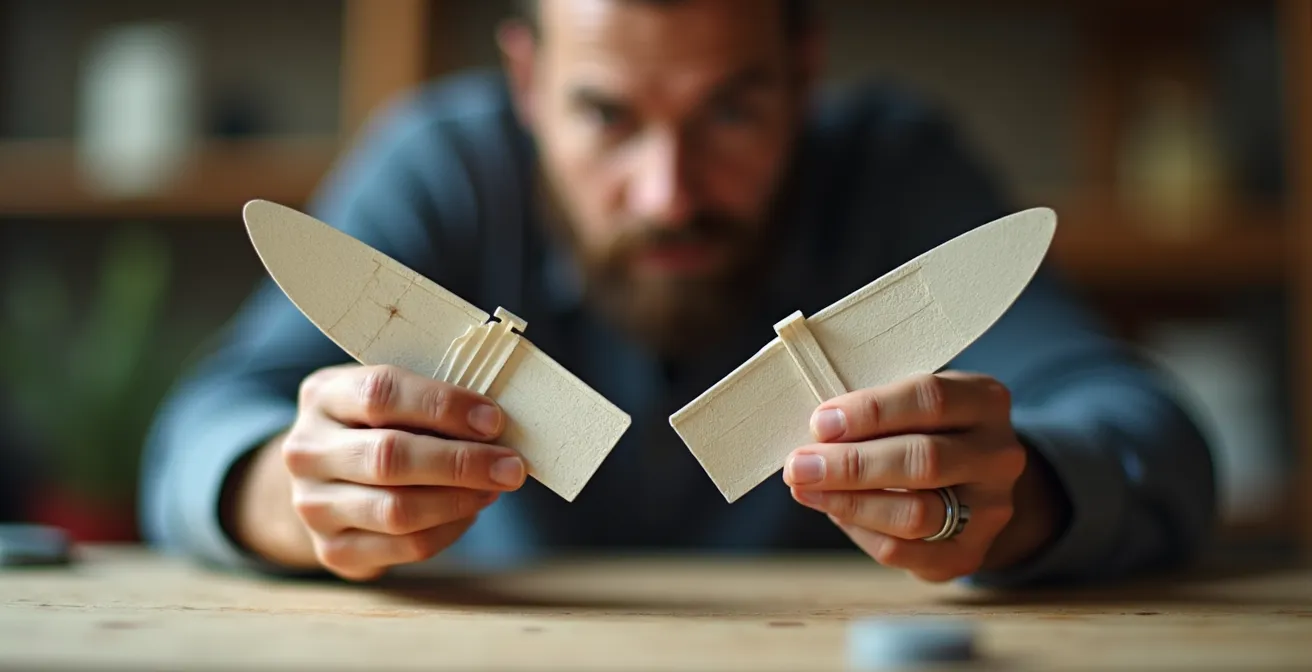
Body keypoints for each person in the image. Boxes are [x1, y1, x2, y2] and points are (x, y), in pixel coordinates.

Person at [139, 0, 1215, 587]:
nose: (668, 194)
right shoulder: (440, 170)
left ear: (804, 71)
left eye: (732, 113)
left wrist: (1012, 507)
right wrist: (294, 495)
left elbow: (1151, 438)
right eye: (607, 117)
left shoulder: (895, 173)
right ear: (528, 80)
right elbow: (201, 432)